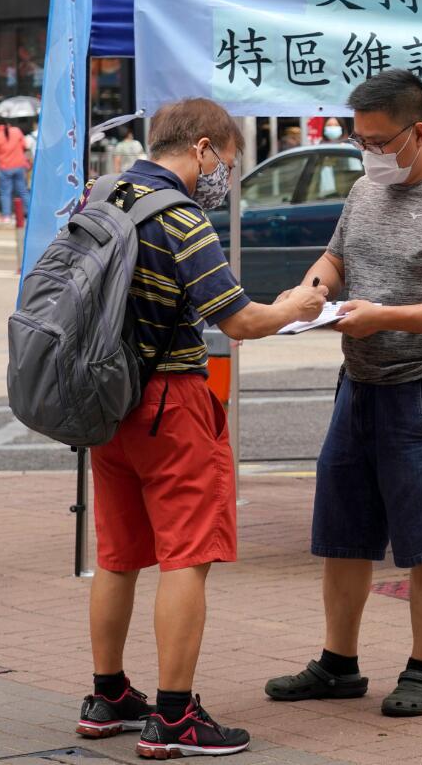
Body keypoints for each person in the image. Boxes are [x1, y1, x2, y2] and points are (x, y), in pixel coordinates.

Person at [78, 97, 328, 757]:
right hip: (171, 401)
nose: (225, 176)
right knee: (186, 556)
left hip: (107, 399)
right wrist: (296, 306)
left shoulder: (101, 195)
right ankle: (174, 716)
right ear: (203, 149)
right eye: (228, 161)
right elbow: (237, 318)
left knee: (117, 555)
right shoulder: (180, 216)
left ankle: (107, 695)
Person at [266, 69, 422, 718]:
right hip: (358, 382)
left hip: (421, 389)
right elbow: (335, 258)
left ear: (417, 132)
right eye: (360, 140)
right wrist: (312, 289)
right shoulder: (364, 191)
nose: (368, 152)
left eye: (377, 141)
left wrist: (385, 316)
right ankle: (338, 662)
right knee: (342, 533)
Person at [0, 119, 31, 222]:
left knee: (5, 193)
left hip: (4, 168)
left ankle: (7, 216)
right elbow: (24, 145)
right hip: (19, 165)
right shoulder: (16, 131)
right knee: (23, 191)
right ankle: (30, 213)